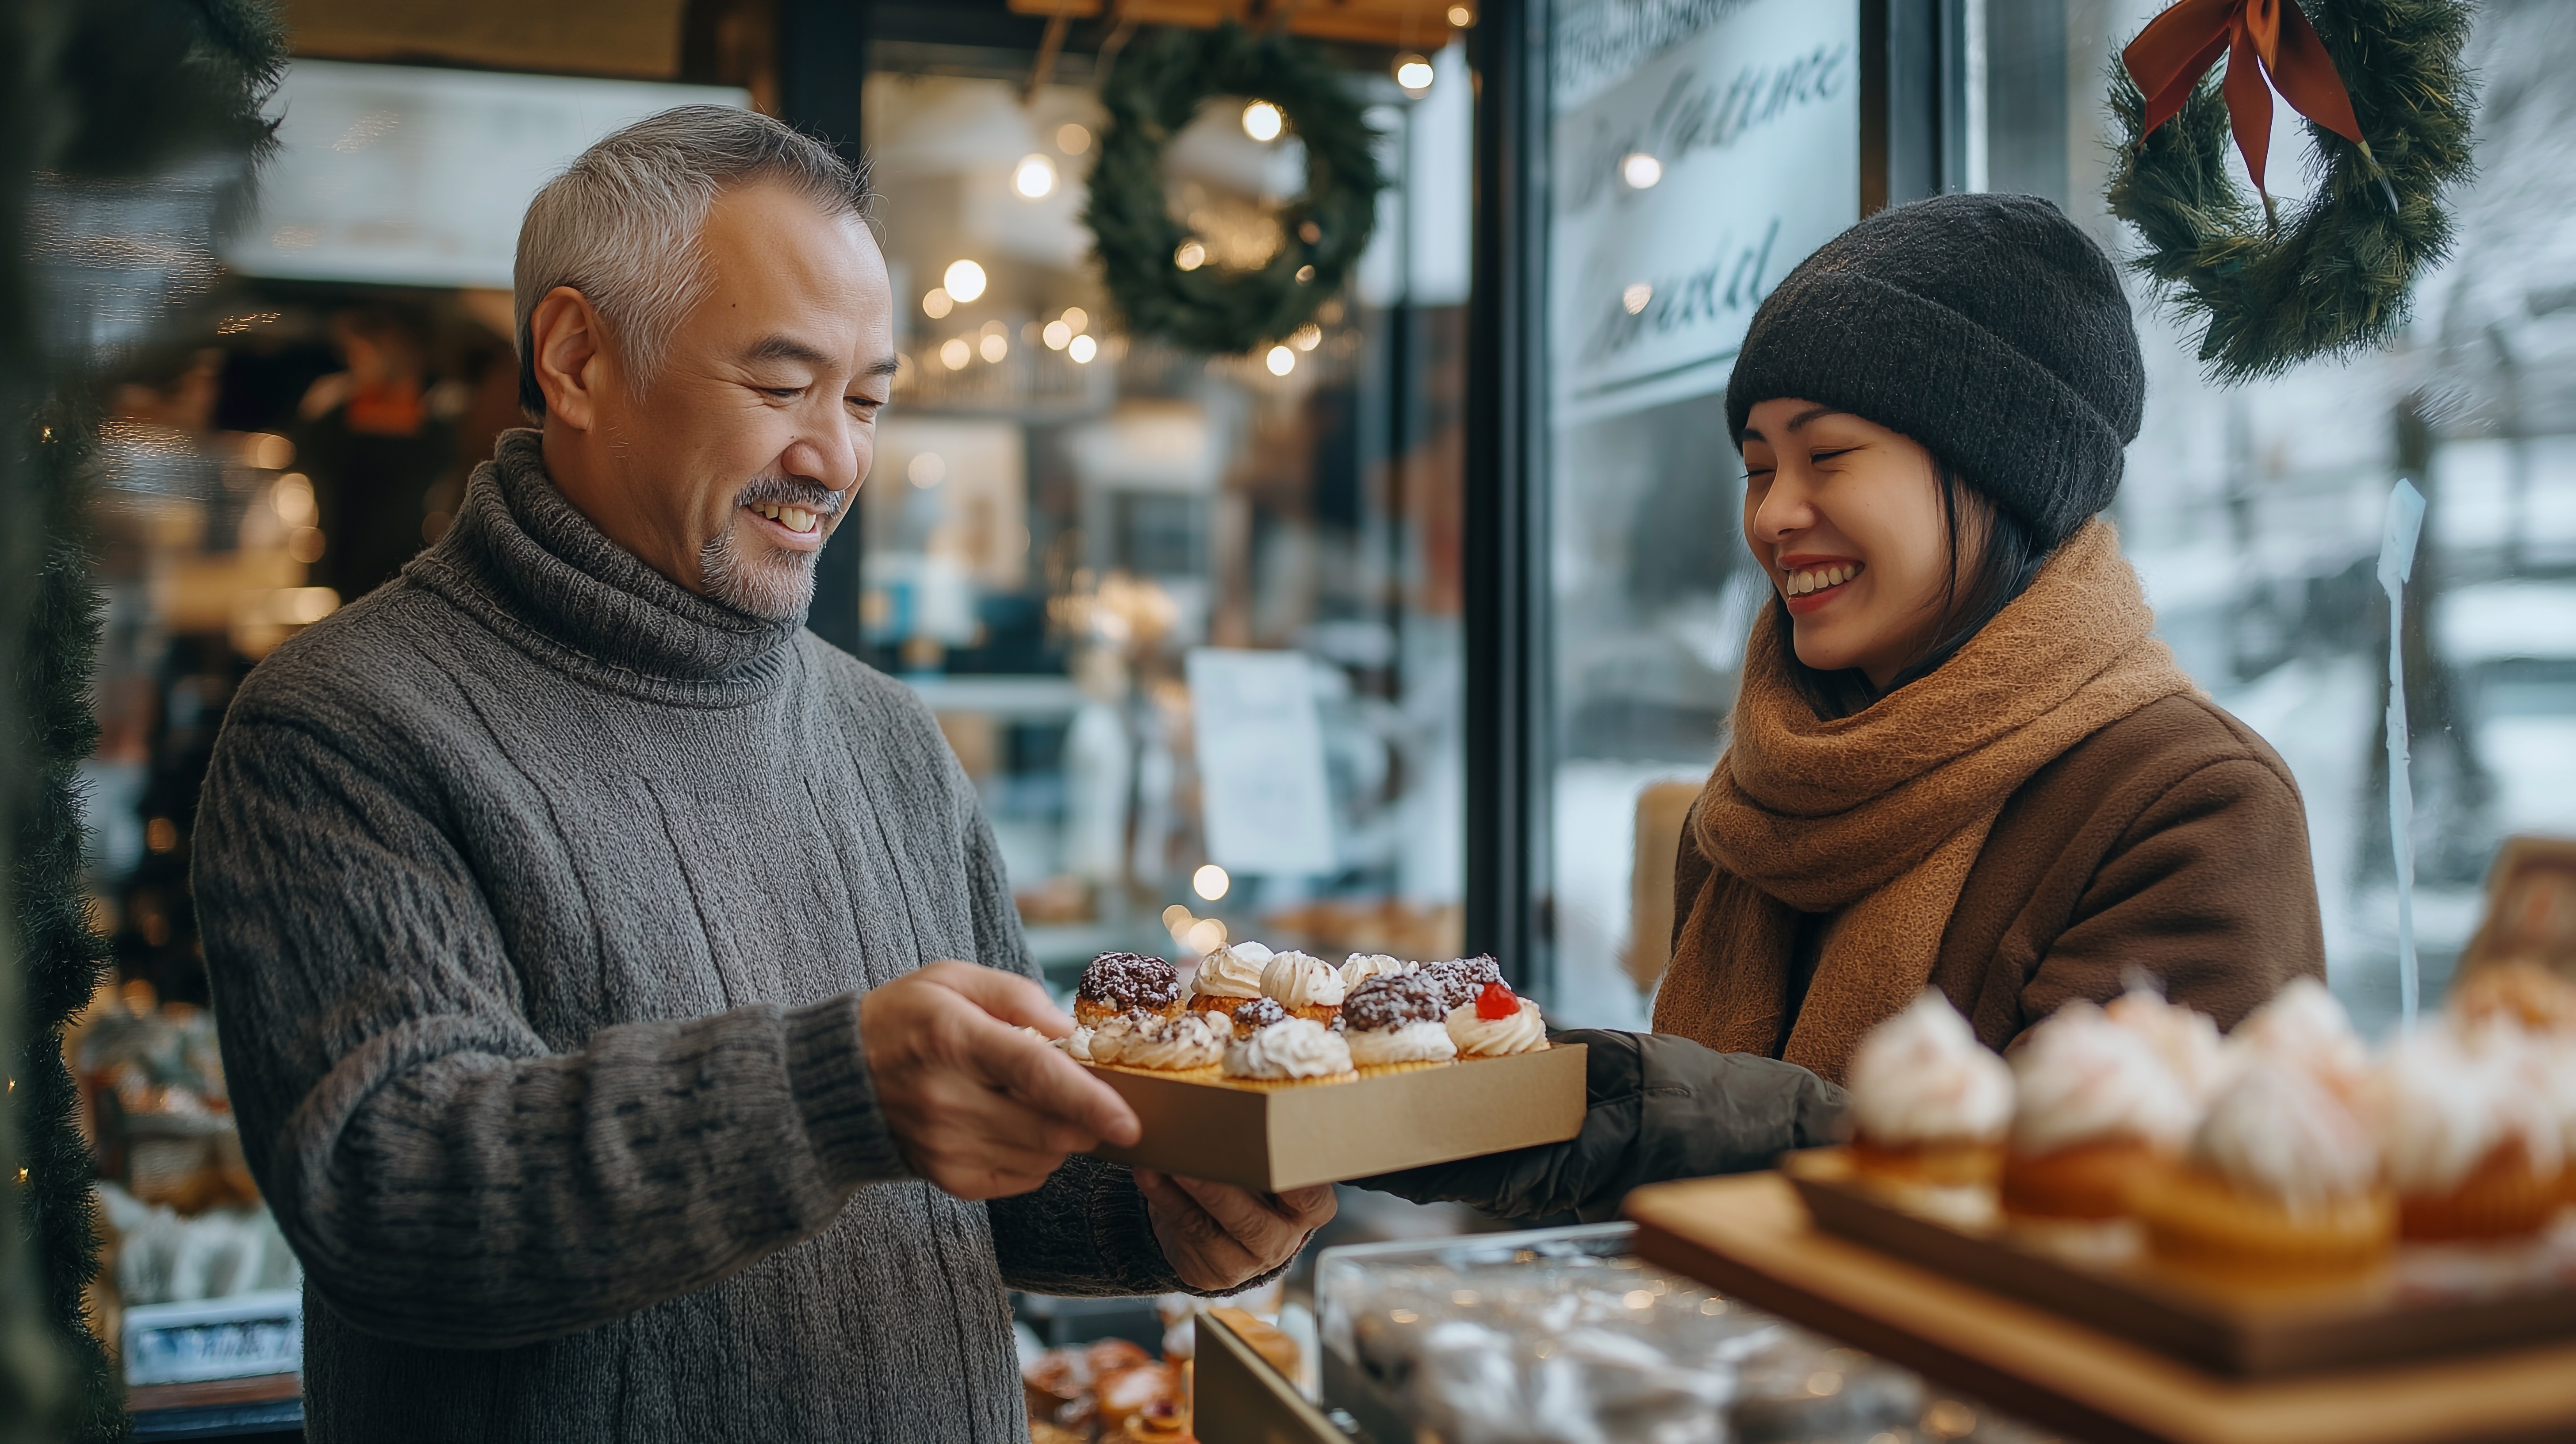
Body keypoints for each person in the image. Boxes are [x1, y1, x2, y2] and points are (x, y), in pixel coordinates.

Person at [192, 108, 1330, 1443]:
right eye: (782, 385)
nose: (836, 460)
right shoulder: (343, 725)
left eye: (866, 401)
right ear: (575, 358)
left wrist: (1167, 1221)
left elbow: (966, 1174)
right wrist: (838, 1089)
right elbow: (391, 1194)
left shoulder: (891, 737)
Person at [1367, 193, 2325, 1222]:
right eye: (1756, 467)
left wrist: (1627, 1114)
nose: (1774, 514)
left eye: (1826, 458)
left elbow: (2090, 1213)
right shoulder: (1752, 804)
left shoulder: (2189, 804)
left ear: (1995, 469)